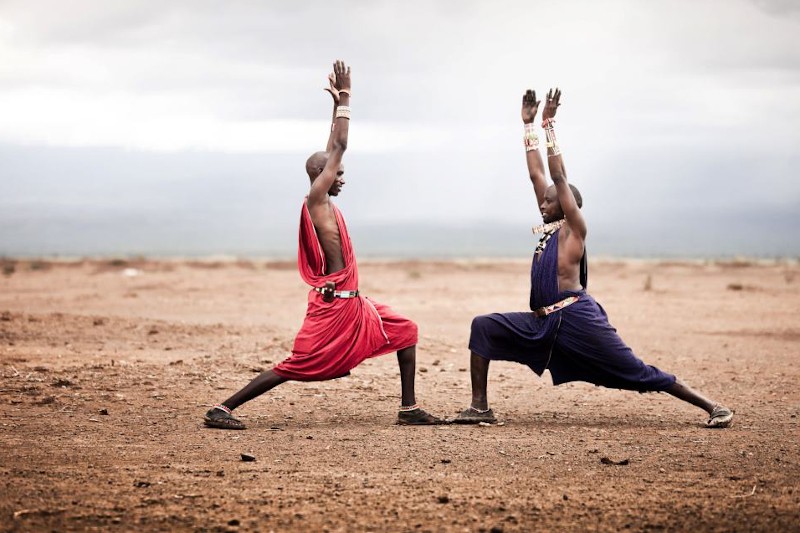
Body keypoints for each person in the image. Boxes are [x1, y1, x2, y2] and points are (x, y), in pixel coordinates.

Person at [453, 88, 733, 428]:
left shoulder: (573, 230)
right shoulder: (550, 229)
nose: (542, 203)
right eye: (542, 201)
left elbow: (557, 178)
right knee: (484, 326)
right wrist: (527, 127)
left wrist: (549, 125)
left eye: (550, 201)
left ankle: (713, 406)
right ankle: (479, 407)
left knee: (635, 373)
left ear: (567, 203)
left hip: (577, 320)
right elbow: (537, 175)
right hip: (542, 322)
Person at [204, 60, 442, 430]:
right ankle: (223, 408)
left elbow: (332, 146)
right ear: (320, 176)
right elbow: (341, 145)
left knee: (406, 330)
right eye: (337, 173)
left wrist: (333, 106)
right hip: (334, 309)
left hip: (354, 302)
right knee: (296, 365)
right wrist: (347, 95)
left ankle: (408, 408)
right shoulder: (316, 200)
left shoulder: (325, 202)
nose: (342, 178)